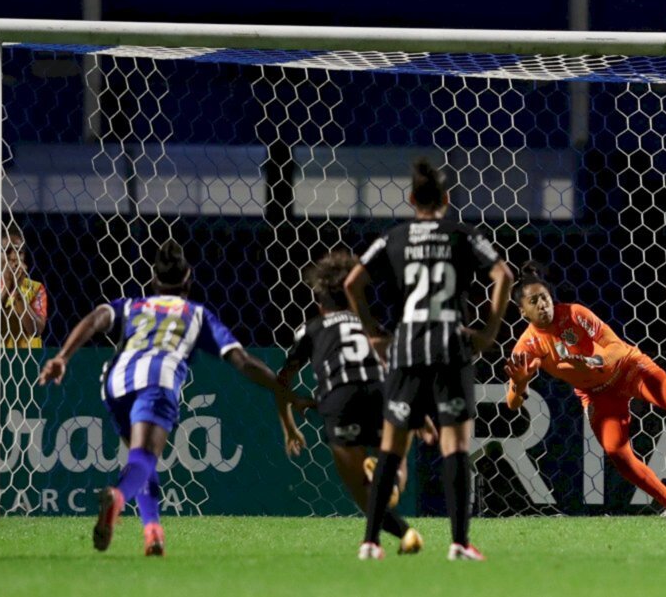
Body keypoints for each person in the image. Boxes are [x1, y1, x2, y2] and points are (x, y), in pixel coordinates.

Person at [38, 240, 308, 556]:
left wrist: (63, 357)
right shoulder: (196, 314)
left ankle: (153, 534)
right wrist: (283, 390)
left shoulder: (133, 305)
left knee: (140, 459)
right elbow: (243, 361)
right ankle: (117, 496)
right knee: (144, 458)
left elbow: (97, 317)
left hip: (116, 381)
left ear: (153, 281)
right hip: (158, 380)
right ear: (189, 280)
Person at [345, 158, 513, 561]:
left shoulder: (394, 237)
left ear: (411, 199)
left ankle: (370, 542)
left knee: (391, 448)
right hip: (449, 345)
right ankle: (459, 542)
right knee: (455, 446)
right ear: (447, 199)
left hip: (406, 345)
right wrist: (489, 331)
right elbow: (503, 275)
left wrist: (373, 333)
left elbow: (353, 282)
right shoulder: (462, 233)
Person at [504, 262, 666, 517]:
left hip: (627, 368)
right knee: (617, 452)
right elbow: (512, 403)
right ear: (522, 311)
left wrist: (594, 361)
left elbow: (613, 345)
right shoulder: (526, 347)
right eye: (534, 301)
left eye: (545, 298)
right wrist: (521, 383)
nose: (542, 305)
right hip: (597, 394)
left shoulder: (574, 313)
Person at [278, 250, 437, 555]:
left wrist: (289, 426)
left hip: (340, 398)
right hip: (383, 392)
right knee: (392, 468)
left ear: (319, 302)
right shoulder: (371, 325)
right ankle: (397, 528)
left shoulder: (312, 329)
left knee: (360, 490)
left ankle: (374, 544)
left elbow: (280, 381)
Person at [2, 226, 47, 348]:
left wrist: (18, 292)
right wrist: (7, 287)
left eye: (19, 252)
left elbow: (36, 330)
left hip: (26, 362)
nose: (14, 257)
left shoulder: (35, 288)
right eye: (7, 251)